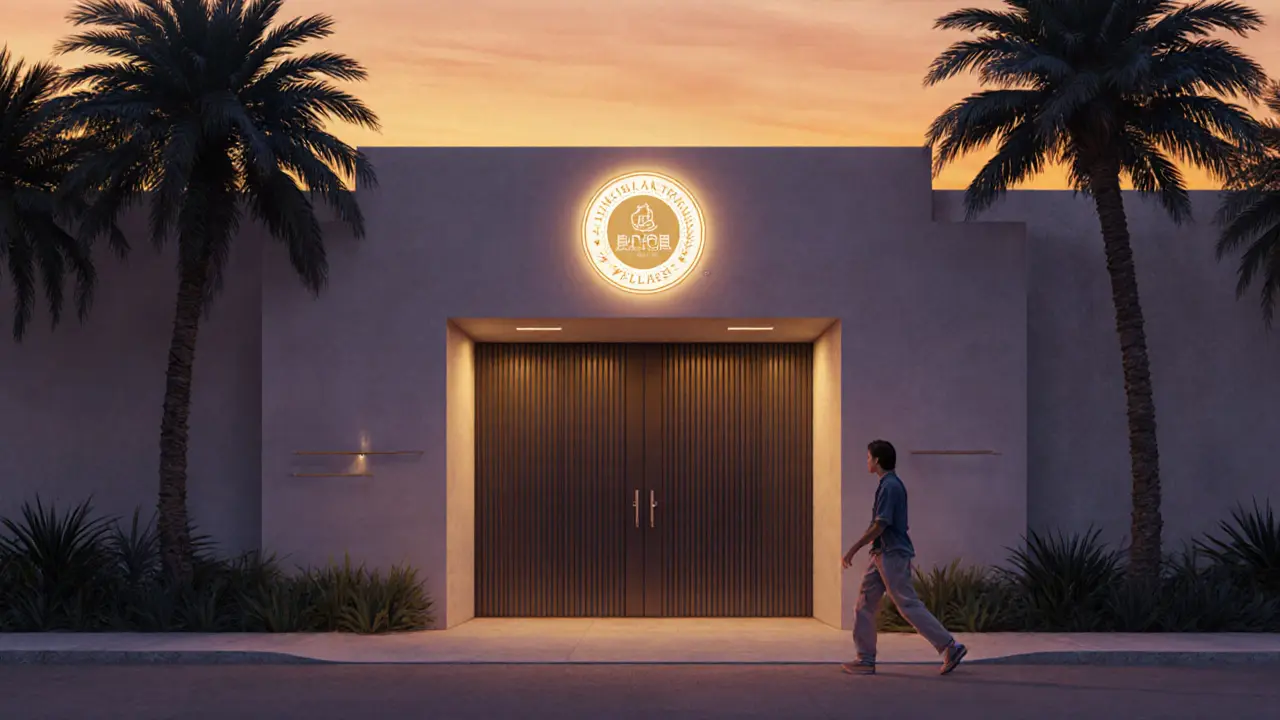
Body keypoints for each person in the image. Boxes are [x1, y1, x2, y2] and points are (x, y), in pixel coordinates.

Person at [841, 439, 968, 676]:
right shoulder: (887, 485)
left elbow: (881, 524)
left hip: (892, 554)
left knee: (907, 604)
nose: (866, 461)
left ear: (877, 460)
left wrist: (852, 549)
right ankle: (865, 659)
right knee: (863, 605)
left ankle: (950, 647)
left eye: (868, 457)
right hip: (881, 554)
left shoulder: (890, 487)